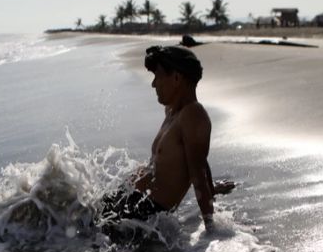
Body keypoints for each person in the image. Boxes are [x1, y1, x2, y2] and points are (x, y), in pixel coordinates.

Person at [100, 44, 233, 231]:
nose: (154, 84)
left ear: (177, 78)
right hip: (127, 205)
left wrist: (210, 227)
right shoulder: (172, 112)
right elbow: (198, 158)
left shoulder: (193, 114)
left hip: (143, 216)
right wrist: (213, 187)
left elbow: (197, 170)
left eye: (158, 76)